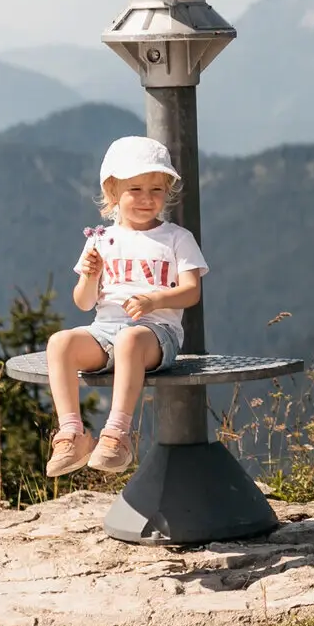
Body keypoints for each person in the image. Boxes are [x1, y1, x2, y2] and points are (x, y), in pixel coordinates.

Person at [44, 135, 208, 477]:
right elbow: (84, 302)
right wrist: (90, 277)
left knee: (129, 340)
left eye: (156, 190)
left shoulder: (177, 238)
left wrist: (155, 299)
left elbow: (191, 292)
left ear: (167, 192)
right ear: (112, 192)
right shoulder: (101, 239)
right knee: (60, 342)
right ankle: (72, 433)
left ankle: (117, 434)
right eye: (135, 189)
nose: (146, 199)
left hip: (155, 334)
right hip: (104, 331)